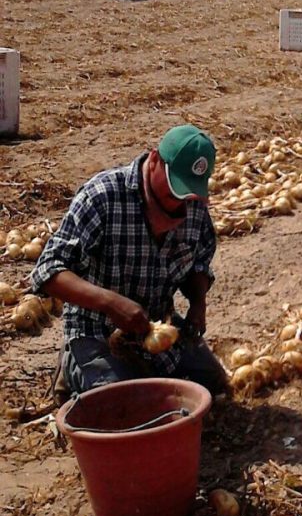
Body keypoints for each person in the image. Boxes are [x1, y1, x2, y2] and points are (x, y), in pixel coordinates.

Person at [31, 124, 228, 402]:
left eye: (188, 193)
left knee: (214, 387)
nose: (180, 201)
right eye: (175, 189)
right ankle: (74, 365)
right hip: (97, 330)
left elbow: (199, 261)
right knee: (127, 406)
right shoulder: (102, 197)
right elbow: (47, 271)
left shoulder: (193, 206)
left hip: (157, 326)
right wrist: (111, 303)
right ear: (155, 160)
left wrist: (198, 303)